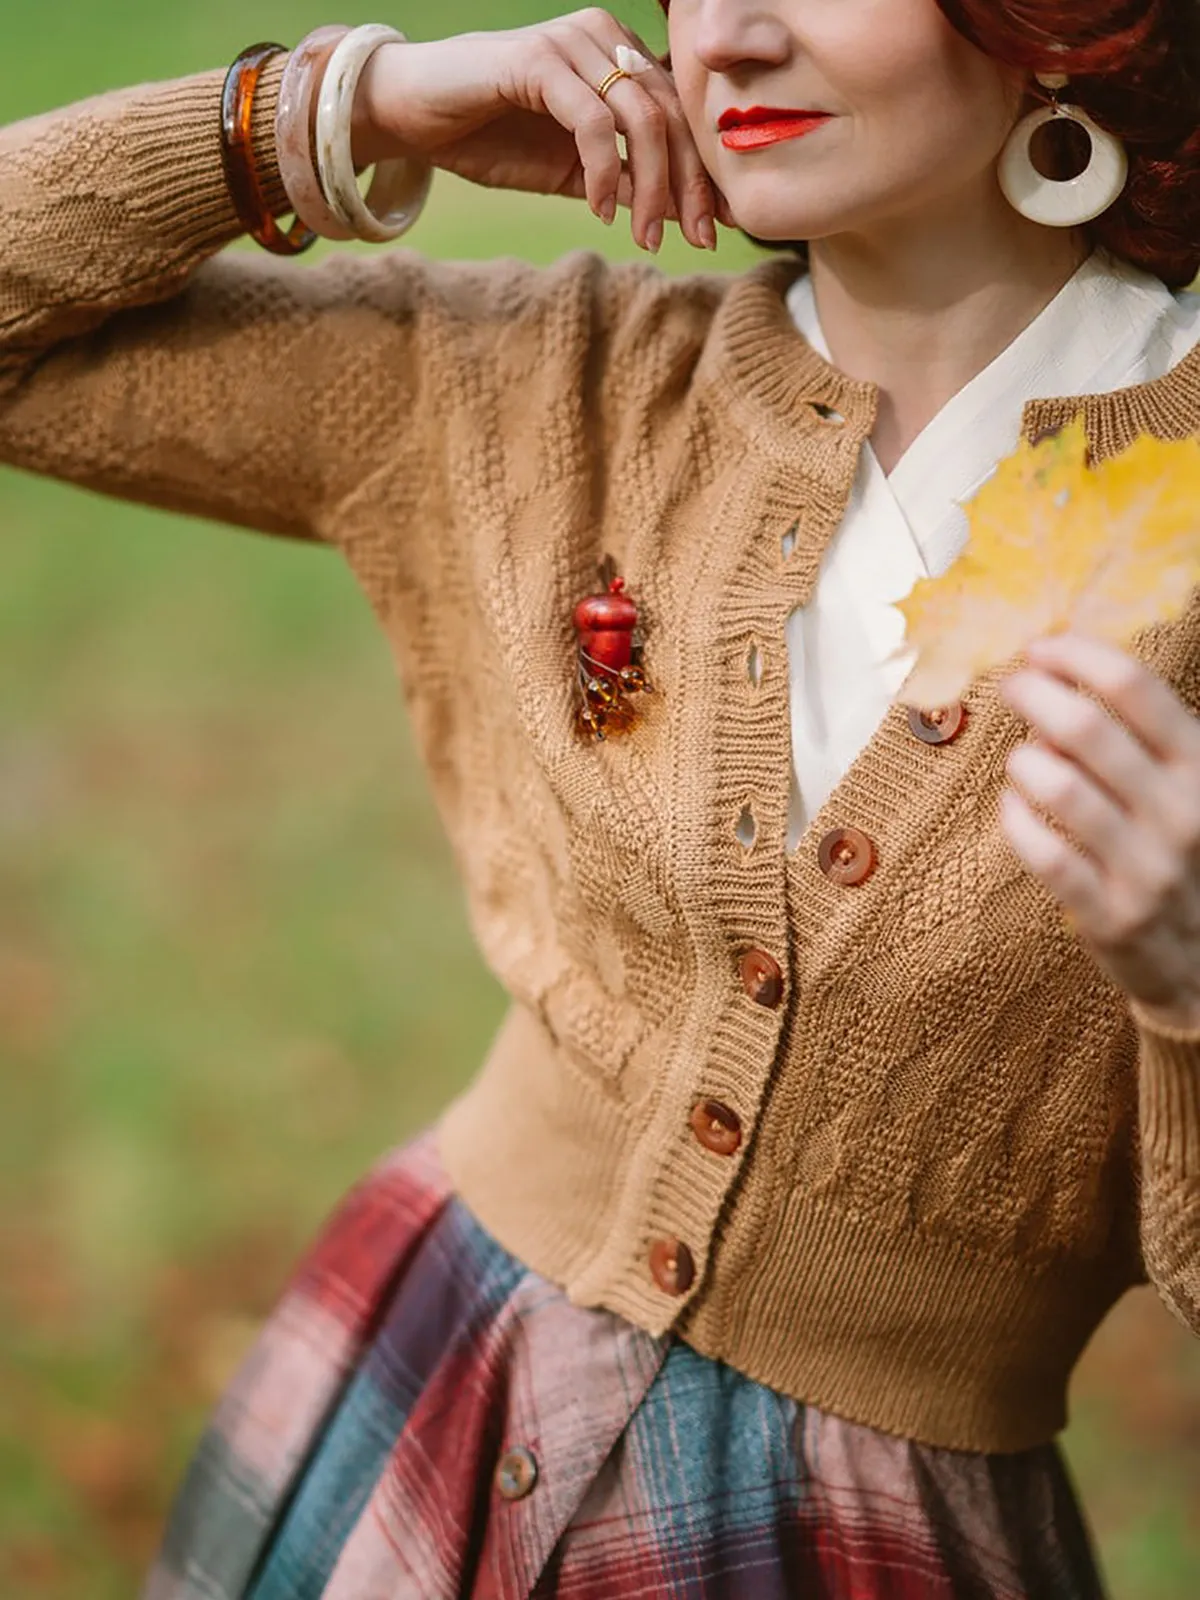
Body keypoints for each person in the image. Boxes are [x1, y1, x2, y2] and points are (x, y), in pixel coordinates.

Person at [3, 2, 1199, 1596]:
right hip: (423, 1382)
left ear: (1055, 28)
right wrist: (352, 109)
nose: (732, 34)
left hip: (856, 1543)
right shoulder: (534, 386)